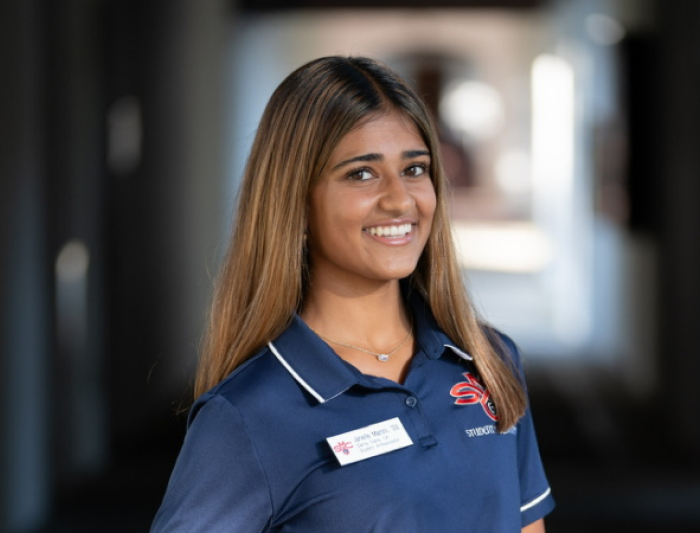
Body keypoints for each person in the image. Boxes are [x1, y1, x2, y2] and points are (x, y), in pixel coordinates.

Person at [150, 56, 555, 533]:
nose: (400, 199)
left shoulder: (490, 362)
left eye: (415, 168)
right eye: (361, 173)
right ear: (295, 200)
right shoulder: (248, 417)